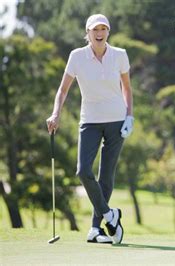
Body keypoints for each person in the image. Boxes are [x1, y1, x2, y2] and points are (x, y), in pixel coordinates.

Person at [46, 14, 133, 244]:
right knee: (83, 171)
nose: (99, 32)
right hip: (90, 121)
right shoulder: (77, 57)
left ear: (108, 32)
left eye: (104, 28)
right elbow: (62, 90)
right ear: (88, 33)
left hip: (116, 121)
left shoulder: (120, 55)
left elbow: (127, 88)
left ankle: (95, 229)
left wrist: (129, 115)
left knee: (106, 176)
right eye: (95, 29)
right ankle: (109, 215)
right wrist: (56, 113)